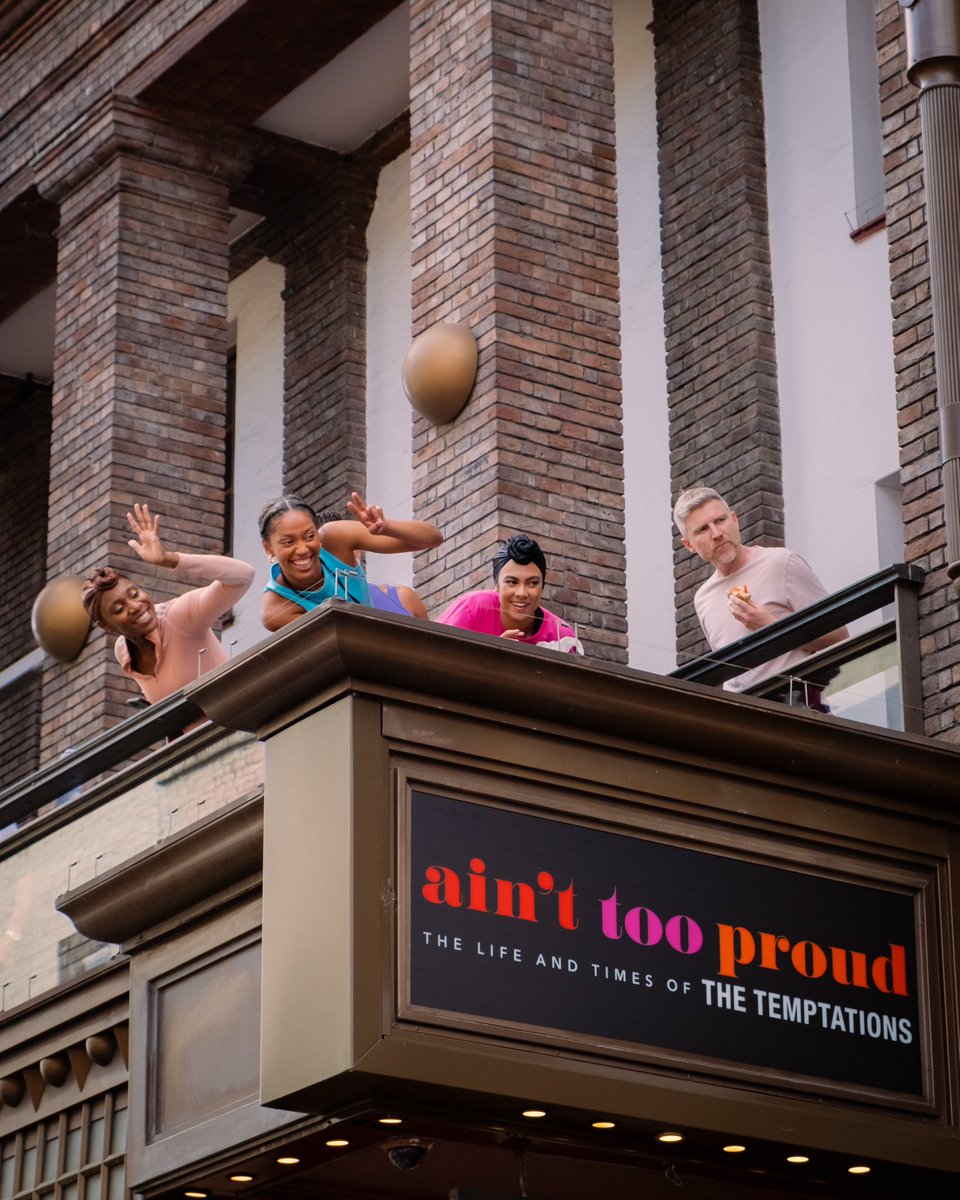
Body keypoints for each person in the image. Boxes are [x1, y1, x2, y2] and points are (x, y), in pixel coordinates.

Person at [673, 485, 847, 699]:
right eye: (703, 529)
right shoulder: (703, 599)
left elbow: (839, 636)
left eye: (720, 520)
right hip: (744, 712)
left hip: (795, 703)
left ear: (735, 520)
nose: (716, 533)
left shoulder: (782, 562)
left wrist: (771, 626)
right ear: (689, 545)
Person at [81, 503, 256, 704]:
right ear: (105, 625)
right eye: (119, 608)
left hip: (241, 720)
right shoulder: (123, 652)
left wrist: (169, 559)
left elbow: (243, 575)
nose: (135, 606)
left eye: (134, 594)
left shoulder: (178, 616)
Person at [259, 492, 442, 631]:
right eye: (288, 542)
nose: (302, 549)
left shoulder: (335, 537)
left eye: (309, 536)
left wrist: (387, 527)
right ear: (269, 548)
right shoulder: (276, 610)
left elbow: (433, 538)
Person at [437, 534, 583, 654]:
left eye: (532, 583)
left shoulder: (562, 636)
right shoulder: (473, 607)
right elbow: (432, 652)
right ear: (497, 586)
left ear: (542, 587)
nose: (521, 593)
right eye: (512, 582)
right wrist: (491, 656)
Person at [317, 509, 429, 619]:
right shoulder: (313, 613)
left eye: (349, 545)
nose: (340, 558)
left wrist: (387, 526)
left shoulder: (403, 598)